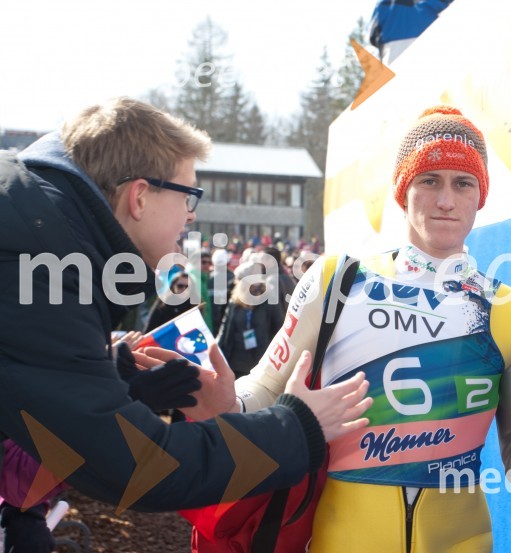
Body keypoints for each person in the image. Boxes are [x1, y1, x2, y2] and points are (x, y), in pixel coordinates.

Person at [217, 106, 511, 552]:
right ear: (403, 191)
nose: (446, 200)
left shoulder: (509, 311)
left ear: (479, 197)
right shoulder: (338, 281)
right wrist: (217, 400)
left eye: (463, 184)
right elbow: (263, 389)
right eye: (429, 181)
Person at [0, 97, 371, 513]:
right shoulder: (39, 263)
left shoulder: (40, 231)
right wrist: (299, 428)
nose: (191, 217)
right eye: (188, 195)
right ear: (139, 197)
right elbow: (140, 469)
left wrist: (111, 382)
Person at [216, 260, 283, 378]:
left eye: (239, 280)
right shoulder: (235, 302)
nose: (236, 282)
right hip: (236, 361)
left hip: (260, 362)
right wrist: (217, 352)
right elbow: (225, 329)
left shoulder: (269, 300)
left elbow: (279, 328)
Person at [369, 0, 454, 64]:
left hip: (393, 57)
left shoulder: (383, 5)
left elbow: (372, 36)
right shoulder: (427, 2)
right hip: (429, 57)